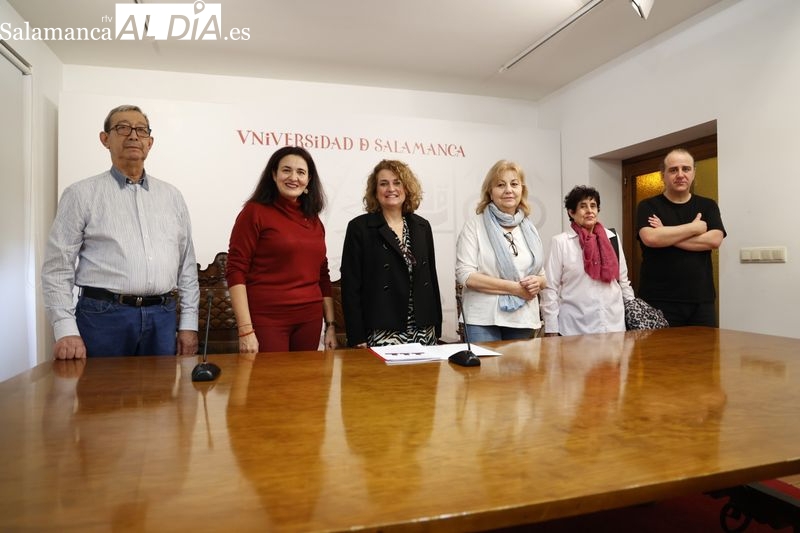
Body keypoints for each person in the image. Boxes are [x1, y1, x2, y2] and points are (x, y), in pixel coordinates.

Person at [42, 104, 199, 359]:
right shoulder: (81, 194)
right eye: (123, 128)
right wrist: (65, 330)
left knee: (160, 398)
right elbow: (57, 267)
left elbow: (187, 266)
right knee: (100, 397)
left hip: (163, 316)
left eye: (141, 130)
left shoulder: (172, 196)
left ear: (150, 142)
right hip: (103, 317)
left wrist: (189, 325)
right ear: (105, 139)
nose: (133, 135)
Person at [226, 146, 337, 353]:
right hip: (267, 318)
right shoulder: (254, 212)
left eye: (301, 172)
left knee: (306, 384)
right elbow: (235, 270)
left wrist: (330, 325)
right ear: (274, 175)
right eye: (286, 170)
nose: (293, 177)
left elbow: (323, 275)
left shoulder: (314, 220)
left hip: (310, 319)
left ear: (309, 180)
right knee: (271, 384)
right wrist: (245, 331)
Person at [340, 159, 442, 347]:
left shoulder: (422, 226)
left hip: (423, 327)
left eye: (397, 182)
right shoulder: (359, 228)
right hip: (382, 328)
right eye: (383, 183)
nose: (391, 189)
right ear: (375, 191)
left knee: (423, 377)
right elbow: (350, 286)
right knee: (386, 378)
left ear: (407, 188)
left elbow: (431, 278)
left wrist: (437, 325)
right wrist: (357, 335)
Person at [455, 160, 546, 342]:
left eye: (514, 184)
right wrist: (515, 289)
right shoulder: (474, 226)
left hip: (523, 318)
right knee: (486, 371)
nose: (508, 190)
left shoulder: (530, 229)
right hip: (482, 318)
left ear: (522, 190)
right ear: (490, 191)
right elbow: (465, 276)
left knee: (522, 372)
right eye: (500, 185)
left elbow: (542, 276)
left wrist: (538, 282)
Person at [636, 148, 726, 327]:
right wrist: (694, 228)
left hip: (701, 301)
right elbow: (651, 239)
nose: (680, 174)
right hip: (657, 300)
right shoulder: (648, 206)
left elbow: (714, 240)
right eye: (673, 170)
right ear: (663, 175)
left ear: (693, 173)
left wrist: (666, 233)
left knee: (703, 355)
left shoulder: (708, 205)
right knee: (661, 355)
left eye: (686, 169)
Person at [540, 186, 634, 336]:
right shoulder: (561, 242)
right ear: (571, 212)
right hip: (575, 327)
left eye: (593, 206)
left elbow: (623, 281)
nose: (590, 211)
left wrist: (633, 314)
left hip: (614, 325)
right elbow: (549, 287)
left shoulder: (612, 238)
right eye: (583, 206)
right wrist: (551, 328)